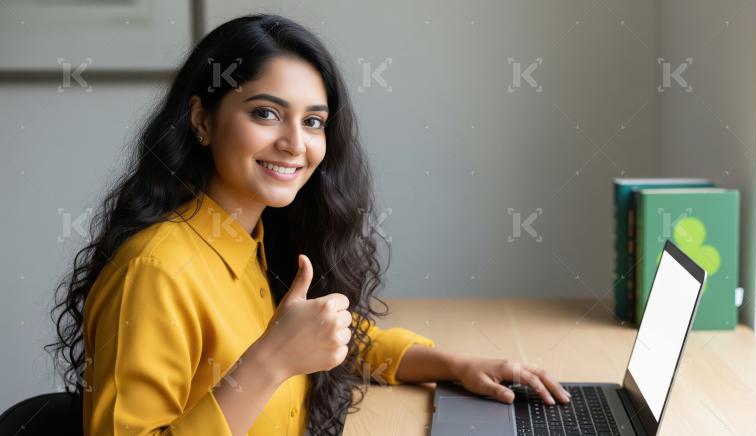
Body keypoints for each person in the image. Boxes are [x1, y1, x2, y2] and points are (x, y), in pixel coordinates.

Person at [47, 14, 570, 436]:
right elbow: (280, 349)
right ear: (202, 120)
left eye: (313, 121)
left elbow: (341, 338)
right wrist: (270, 361)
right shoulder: (155, 271)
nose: (296, 144)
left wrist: (455, 366)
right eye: (267, 114)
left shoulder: (254, 240)